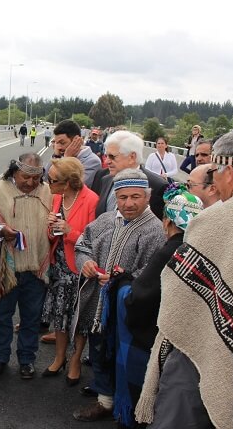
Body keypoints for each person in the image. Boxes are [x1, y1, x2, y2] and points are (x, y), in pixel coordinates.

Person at [136, 130, 233, 429]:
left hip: (205, 360)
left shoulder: (214, 221)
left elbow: (181, 301)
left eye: (214, 170)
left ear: (228, 171)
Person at [71, 168, 165, 422]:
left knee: (124, 355)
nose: (129, 203)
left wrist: (121, 280)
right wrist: (86, 262)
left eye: (136, 197)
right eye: (123, 197)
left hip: (128, 308)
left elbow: (151, 272)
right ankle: (105, 401)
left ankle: (132, 404)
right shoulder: (104, 221)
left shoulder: (156, 230)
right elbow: (82, 244)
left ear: (148, 196)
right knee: (99, 349)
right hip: (97, 303)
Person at [111, 184, 203, 427]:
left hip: (155, 339)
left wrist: (123, 286)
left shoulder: (170, 250)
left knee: (149, 393)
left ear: (167, 222)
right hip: (191, 340)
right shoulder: (201, 248)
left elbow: (140, 299)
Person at [0, 153, 52, 380]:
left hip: (36, 268)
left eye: (36, 178)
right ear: (14, 172)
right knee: (2, 316)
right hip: (6, 269)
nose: (30, 183)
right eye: (25, 178)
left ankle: (27, 360)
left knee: (31, 318)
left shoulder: (47, 191)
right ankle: (0, 358)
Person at [40, 158, 98, 386]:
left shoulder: (91, 199)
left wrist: (70, 231)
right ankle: (59, 357)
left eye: (52, 180)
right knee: (59, 316)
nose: (48, 183)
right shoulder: (56, 197)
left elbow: (94, 239)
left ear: (68, 182)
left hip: (79, 268)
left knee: (78, 318)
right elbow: (51, 235)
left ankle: (75, 360)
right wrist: (51, 228)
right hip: (59, 267)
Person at [95, 130, 167, 219]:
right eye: (106, 156)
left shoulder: (158, 186)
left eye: (112, 156)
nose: (107, 161)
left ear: (132, 157)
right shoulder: (103, 178)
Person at [51, 120, 102, 188]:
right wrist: (56, 156)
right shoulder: (60, 155)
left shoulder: (92, 161)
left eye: (62, 143)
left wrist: (67, 159)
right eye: (57, 143)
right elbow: (47, 178)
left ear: (76, 140)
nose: (59, 147)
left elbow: (75, 187)